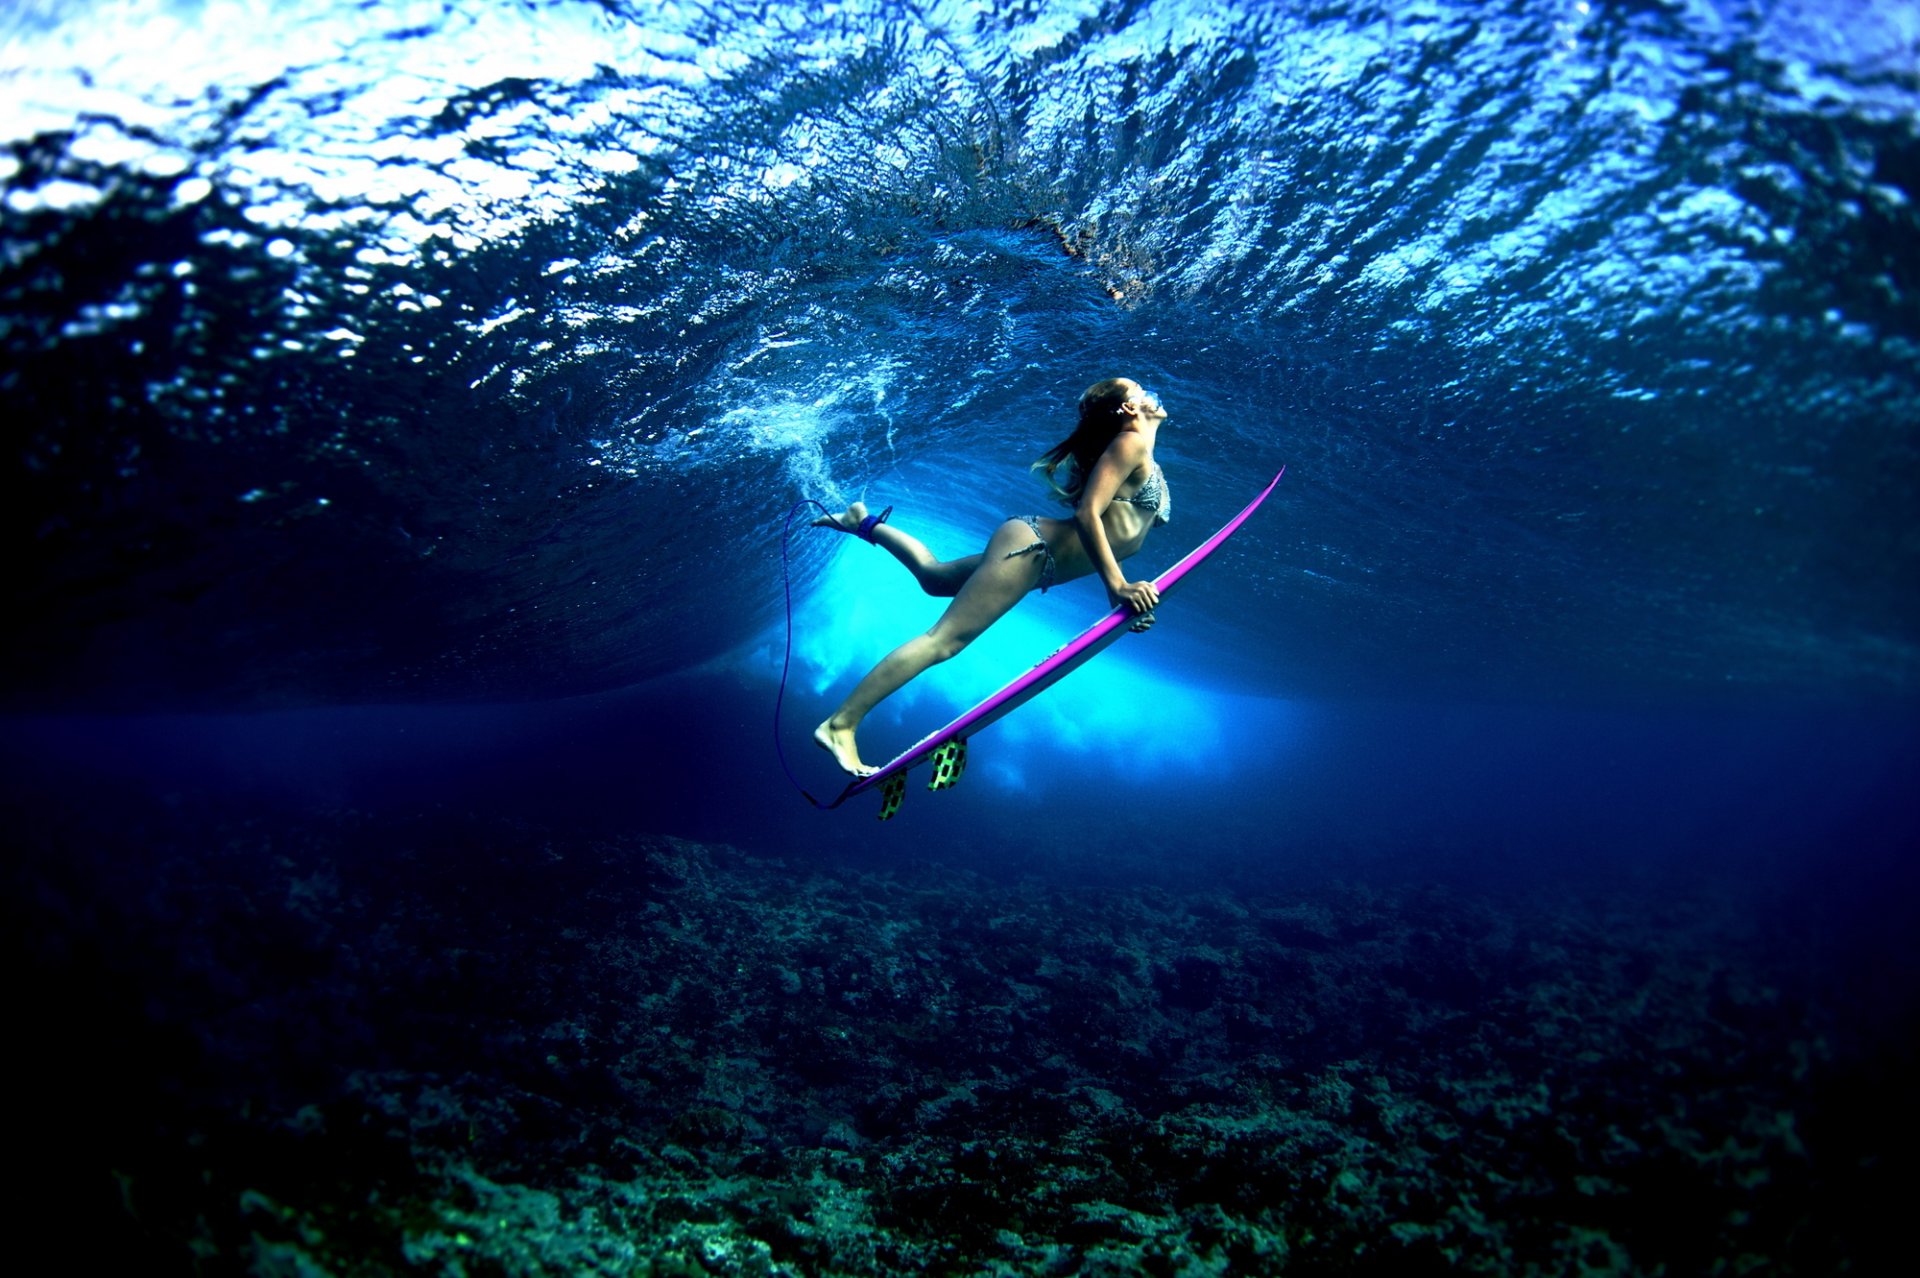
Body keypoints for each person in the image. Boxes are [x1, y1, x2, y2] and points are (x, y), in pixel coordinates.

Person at [811, 377, 1173, 776]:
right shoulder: (1130, 443)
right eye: (1141, 390)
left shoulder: (1142, 454)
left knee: (934, 578)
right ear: (1126, 409)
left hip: (1034, 556)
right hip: (1030, 550)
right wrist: (1118, 586)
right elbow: (1089, 513)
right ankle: (839, 724)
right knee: (943, 642)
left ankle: (862, 522)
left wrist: (1121, 591)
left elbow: (1117, 529)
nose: (1151, 393)